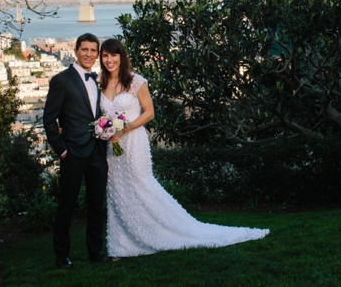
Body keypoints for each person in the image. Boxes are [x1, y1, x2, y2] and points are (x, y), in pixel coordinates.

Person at [98, 38, 269, 257]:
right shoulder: (100, 84)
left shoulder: (135, 81)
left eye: (113, 55)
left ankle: (164, 231)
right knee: (118, 192)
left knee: (142, 187)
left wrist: (126, 128)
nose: (109, 60)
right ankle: (121, 246)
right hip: (112, 148)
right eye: (105, 55)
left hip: (133, 142)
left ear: (121, 56)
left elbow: (149, 112)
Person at [43, 33, 110, 268]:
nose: (89, 54)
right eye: (85, 50)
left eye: (94, 50)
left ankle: (95, 252)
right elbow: (49, 120)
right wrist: (62, 151)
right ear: (76, 51)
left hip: (97, 153)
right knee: (67, 206)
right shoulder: (61, 80)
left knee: (96, 205)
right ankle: (61, 256)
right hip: (72, 153)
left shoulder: (100, 80)